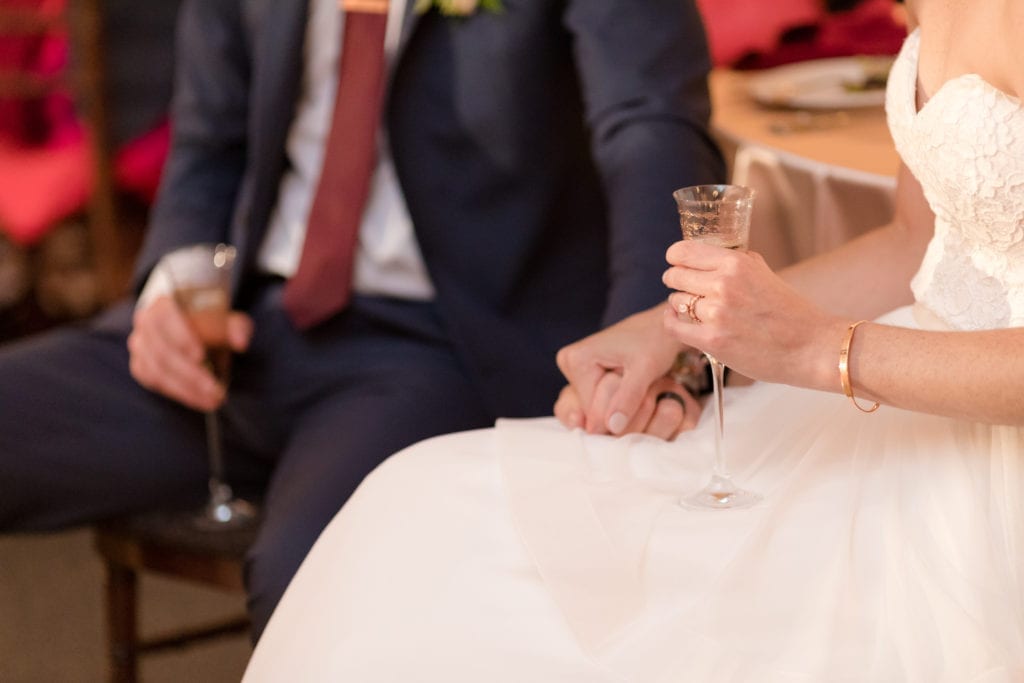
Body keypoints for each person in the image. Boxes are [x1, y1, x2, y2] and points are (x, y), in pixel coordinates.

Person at [242, 0, 1024, 679]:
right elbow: (913, 242)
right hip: (910, 402)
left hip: (990, 476)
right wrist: (675, 327)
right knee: (414, 506)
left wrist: (822, 350)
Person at [0, 0, 724, 640]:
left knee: (314, 577)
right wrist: (178, 288)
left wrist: (647, 326)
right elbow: (209, 136)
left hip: (436, 348)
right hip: (241, 333)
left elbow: (650, 119)